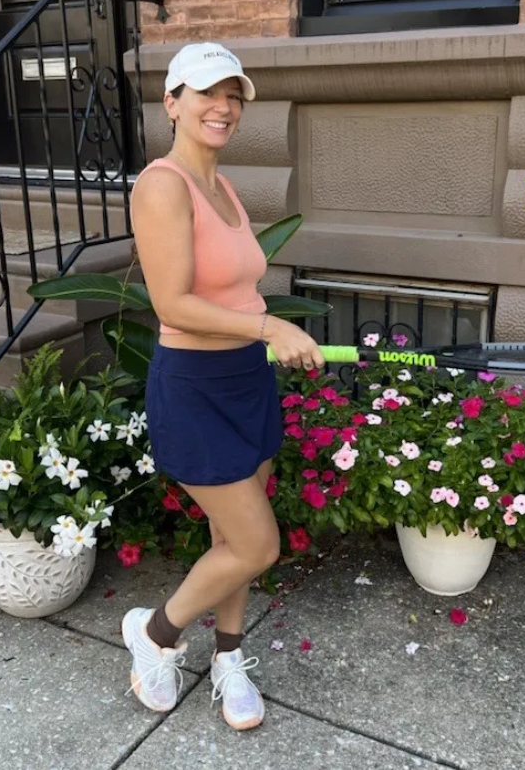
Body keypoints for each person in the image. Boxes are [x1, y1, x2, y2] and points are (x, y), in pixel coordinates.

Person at [122, 42, 325, 732]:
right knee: (255, 543)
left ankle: (229, 656)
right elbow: (172, 304)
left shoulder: (221, 183)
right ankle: (154, 635)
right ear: (172, 102)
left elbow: (233, 289)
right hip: (195, 386)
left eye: (234, 95)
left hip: (244, 379)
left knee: (229, 534)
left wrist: (263, 338)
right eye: (208, 92)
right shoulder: (162, 185)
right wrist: (270, 327)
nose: (224, 107)